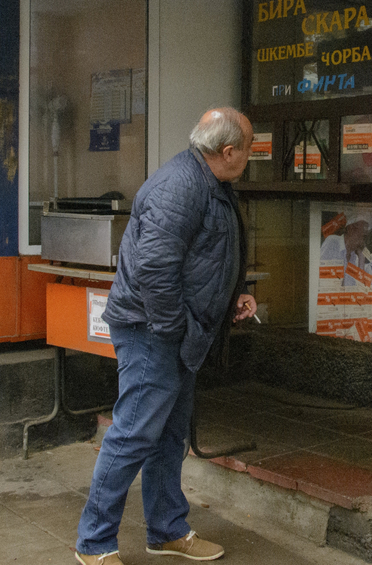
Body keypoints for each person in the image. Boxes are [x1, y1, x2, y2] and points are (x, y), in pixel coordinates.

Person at [75, 108, 257, 565]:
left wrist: (230, 296)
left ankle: (167, 530)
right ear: (228, 150)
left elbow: (207, 257)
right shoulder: (180, 185)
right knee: (134, 434)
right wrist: (180, 331)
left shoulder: (214, 184)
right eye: (250, 148)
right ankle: (94, 544)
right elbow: (155, 271)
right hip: (152, 331)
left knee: (169, 436)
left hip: (175, 331)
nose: (251, 157)